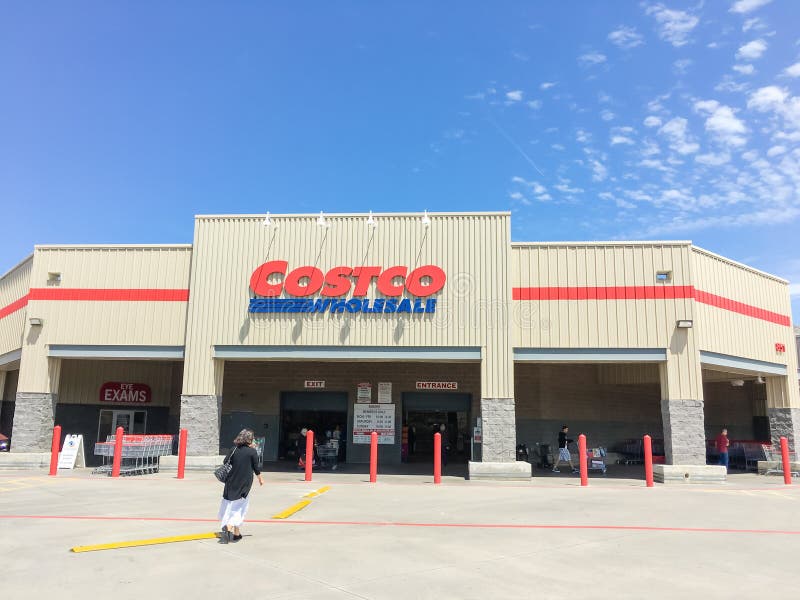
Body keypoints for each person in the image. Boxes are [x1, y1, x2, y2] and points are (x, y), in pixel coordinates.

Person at [219, 429, 263, 544]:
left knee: (230, 505)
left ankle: (236, 533)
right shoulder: (252, 452)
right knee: (240, 507)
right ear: (249, 439)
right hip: (244, 483)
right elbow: (256, 467)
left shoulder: (233, 449)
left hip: (231, 482)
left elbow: (225, 461)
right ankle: (228, 527)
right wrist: (260, 479)